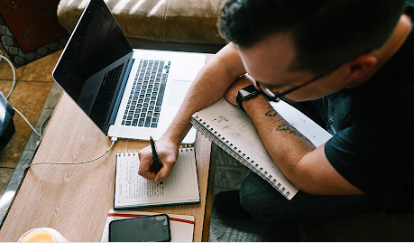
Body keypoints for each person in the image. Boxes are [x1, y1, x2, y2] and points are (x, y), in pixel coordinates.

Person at [138, 0, 414, 239]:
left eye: (274, 87)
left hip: (394, 168)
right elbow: (226, 63)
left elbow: (304, 170)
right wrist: (170, 137)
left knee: (257, 199)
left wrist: (251, 97)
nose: (257, 82)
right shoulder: (324, 24)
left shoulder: (395, 120)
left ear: (355, 68)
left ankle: (384, 199)